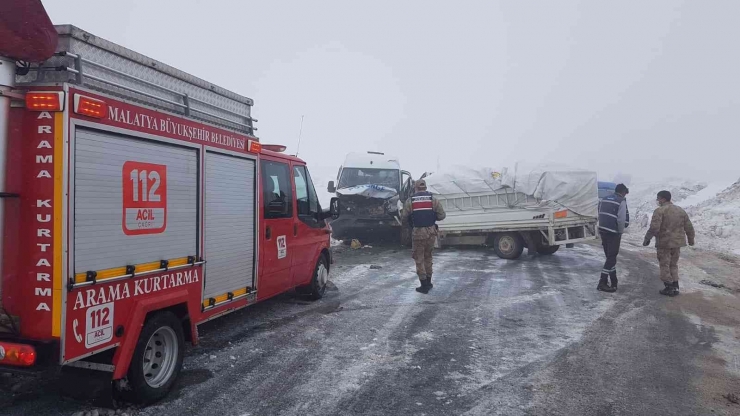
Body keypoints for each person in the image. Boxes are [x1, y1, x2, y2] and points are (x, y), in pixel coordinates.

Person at [643, 190, 695, 297]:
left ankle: (669, 287)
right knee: (673, 264)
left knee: (664, 264)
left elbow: (654, 228)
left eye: (658, 198)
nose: (657, 201)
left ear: (663, 199)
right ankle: (675, 286)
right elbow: (689, 227)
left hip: (664, 243)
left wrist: (647, 238)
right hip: (677, 243)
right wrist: (691, 240)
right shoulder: (680, 210)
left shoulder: (660, 211)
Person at [401, 179, 446, 293]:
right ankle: (429, 283)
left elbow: (404, 218)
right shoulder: (433, 199)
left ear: (415, 187)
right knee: (428, 256)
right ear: (425, 187)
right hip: (431, 231)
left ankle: (424, 285)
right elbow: (442, 216)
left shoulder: (410, 201)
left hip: (418, 233)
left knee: (419, 258)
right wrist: (431, 218)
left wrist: (411, 222)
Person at [597, 183, 630, 292]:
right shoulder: (621, 200)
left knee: (609, 257)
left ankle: (614, 280)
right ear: (623, 192)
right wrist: (620, 232)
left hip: (602, 230)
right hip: (613, 232)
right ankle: (602, 282)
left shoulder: (605, 199)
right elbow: (621, 219)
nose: (625, 195)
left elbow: (599, 211)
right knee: (611, 257)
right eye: (625, 193)